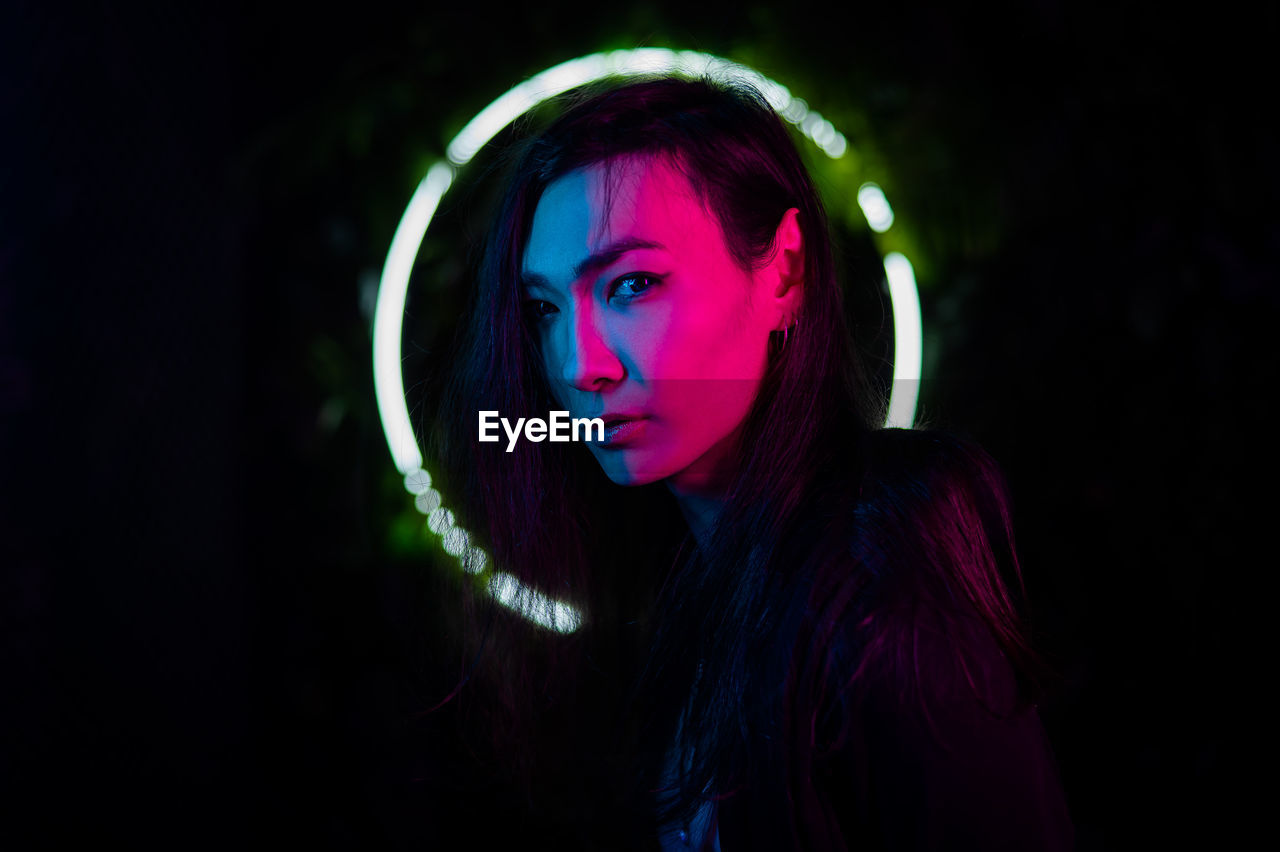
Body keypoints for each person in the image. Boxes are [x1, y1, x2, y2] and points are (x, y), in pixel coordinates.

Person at [428, 75, 1074, 850]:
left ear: (784, 274)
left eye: (634, 284)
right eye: (545, 309)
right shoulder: (695, 584)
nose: (580, 364)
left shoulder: (881, 597)